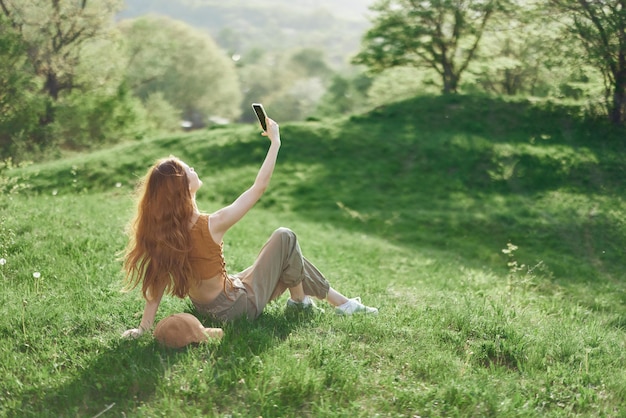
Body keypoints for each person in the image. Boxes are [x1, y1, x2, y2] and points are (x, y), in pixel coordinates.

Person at [121, 117, 377, 339]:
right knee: (285, 237)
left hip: (206, 307)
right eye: (188, 169)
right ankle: (301, 304)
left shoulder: (166, 234)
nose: (193, 168)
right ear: (182, 187)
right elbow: (258, 188)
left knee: (286, 257)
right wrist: (275, 143)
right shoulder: (212, 224)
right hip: (235, 309)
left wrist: (144, 327)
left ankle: (340, 303)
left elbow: (156, 285)